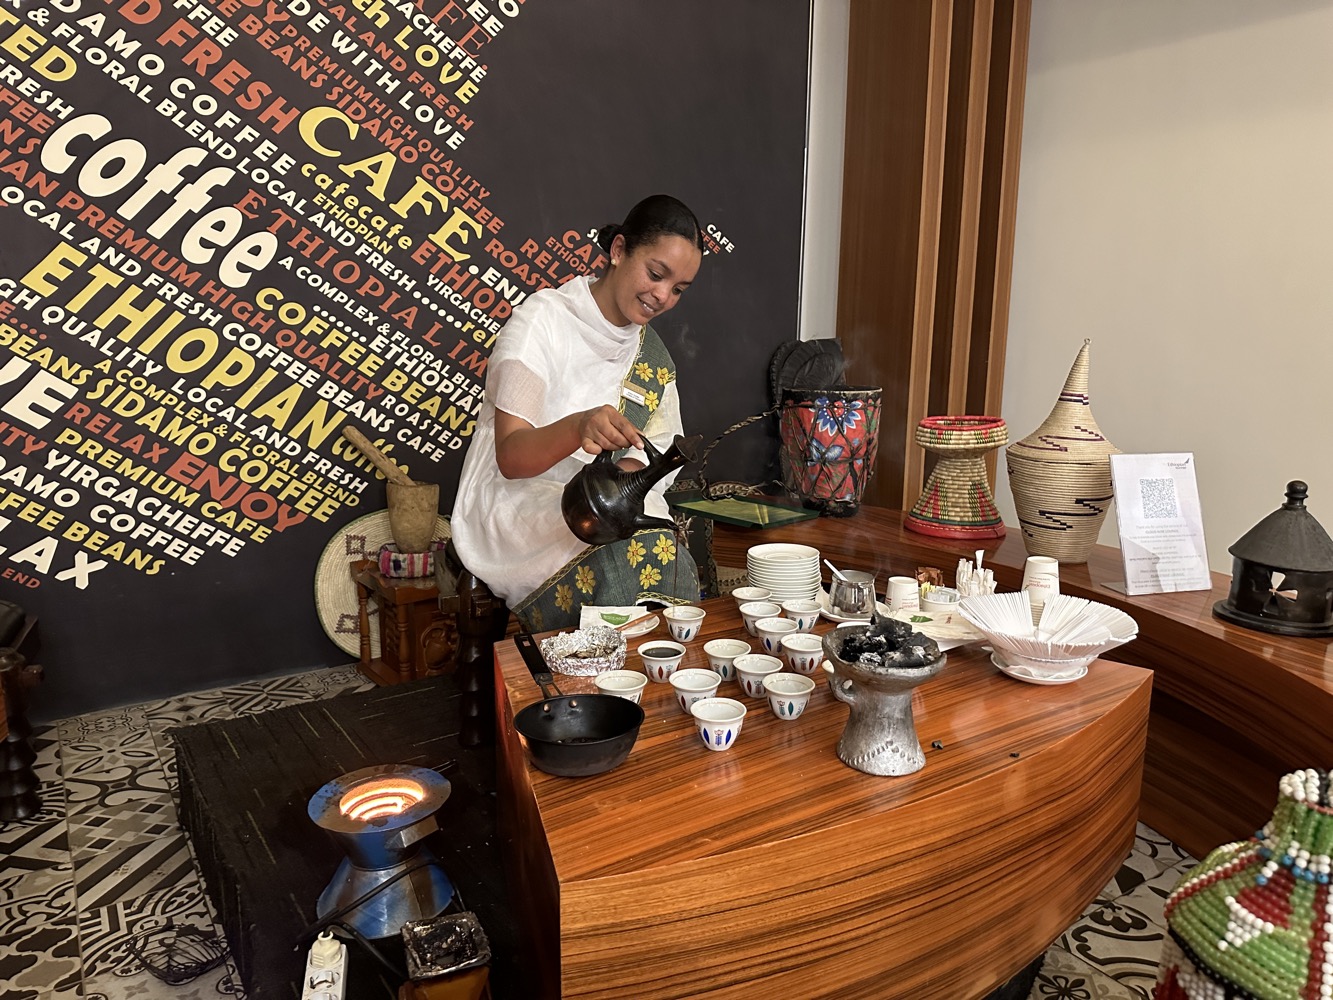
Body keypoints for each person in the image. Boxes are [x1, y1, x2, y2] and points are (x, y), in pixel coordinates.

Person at [451, 195, 704, 632]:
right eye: (656, 274)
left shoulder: (654, 362)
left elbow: (654, 457)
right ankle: (591, 685)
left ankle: (657, 686)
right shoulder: (542, 322)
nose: (662, 296)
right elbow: (511, 459)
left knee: (662, 546)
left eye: (678, 289)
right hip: (521, 499)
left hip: (602, 502)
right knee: (619, 554)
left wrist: (629, 471)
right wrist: (579, 426)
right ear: (619, 250)